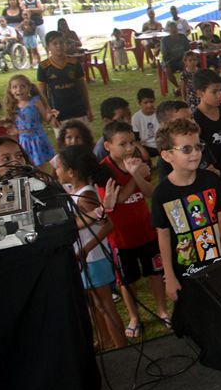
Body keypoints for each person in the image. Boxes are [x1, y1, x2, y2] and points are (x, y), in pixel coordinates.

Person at [99, 120, 171, 337]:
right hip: (121, 238)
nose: (129, 148)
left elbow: (150, 192)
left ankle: (162, 310)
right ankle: (133, 316)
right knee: (127, 280)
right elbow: (119, 199)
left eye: (132, 142)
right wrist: (133, 174)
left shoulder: (137, 162)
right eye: (123, 144)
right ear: (108, 146)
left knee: (155, 272)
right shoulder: (103, 170)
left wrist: (137, 173)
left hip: (146, 231)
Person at [55, 145, 127, 350]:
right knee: (96, 305)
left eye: (59, 167)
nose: (56, 170)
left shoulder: (85, 196)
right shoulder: (77, 191)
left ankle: (122, 347)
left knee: (105, 306)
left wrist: (86, 248)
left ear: (71, 172)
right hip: (88, 258)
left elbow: (108, 225)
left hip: (93, 259)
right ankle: (104, 341)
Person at [152, 118, 221, 301]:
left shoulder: (211, 181)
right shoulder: (161, 193)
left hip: (217, 262)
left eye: (198, 146)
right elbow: (163, 235)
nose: (196, 153)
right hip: (185, 269)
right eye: (186, 149)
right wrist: (169, 276)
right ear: (167, 155)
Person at [37, 30, 93, 133]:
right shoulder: (44, 67)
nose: (59, 46)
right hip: (59, 113)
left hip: (78, 109)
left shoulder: (74, 63)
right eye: (55, 43)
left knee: (85, 140)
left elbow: (82, 87)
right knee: (64, 144)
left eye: (61, 43)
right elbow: (42, 94)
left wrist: (88, 108)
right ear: (48, 47)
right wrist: (49, 114)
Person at [193, 68, 221, 192]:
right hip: (210, 171)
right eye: (214, 92)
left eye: (220, 90)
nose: (220, 95)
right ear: (200, 93)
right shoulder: (196, 119)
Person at [6, 74, 57, 167]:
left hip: (37, 138)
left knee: (39, 167)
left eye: (22, 86)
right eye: (15, 87)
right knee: (27, 166)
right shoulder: (13, 106)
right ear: (10, 90)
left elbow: (45, 117)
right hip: (23, 141)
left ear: (29, 88)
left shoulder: (35, 101)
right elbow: (13, 125)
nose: (19, 89)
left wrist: (52, 116)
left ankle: (44, 179)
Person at [160, 20, 191, 89]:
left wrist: (184, 58)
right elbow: (165, 55)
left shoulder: (183, 37)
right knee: (167, 70)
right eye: (171, 28)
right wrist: (170, 60)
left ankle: (184, 85)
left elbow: (188, 49)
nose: (173, 30)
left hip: (182, 59)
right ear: (169, 30)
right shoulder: (164, 40)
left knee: (188, 65)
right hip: (170, 60)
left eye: (174, 28)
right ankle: (178, 86)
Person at [131, 88, 159, 157]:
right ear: (139, 103)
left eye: (151, 102)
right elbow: (135, 139)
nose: (149, 105)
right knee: (135, 153)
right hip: (146, 145)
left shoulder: (160, 113)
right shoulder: (136, 118)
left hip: (161, 144)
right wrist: (142, 150)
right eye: (146, 103)